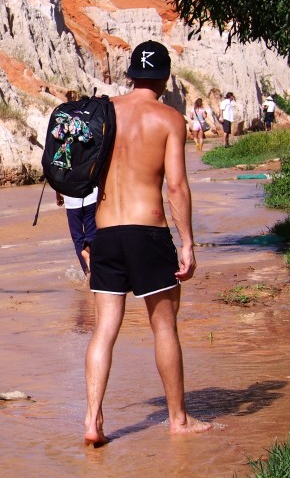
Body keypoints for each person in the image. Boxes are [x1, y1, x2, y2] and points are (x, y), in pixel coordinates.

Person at [83, 41, 212, 447]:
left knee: (104, 329)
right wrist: (187, 242)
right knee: (163, 326)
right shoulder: (170, 119)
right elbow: (176, 186)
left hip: (105, 231)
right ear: (165, 77)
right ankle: (178, 420)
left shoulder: (104, 113)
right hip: (148, 233)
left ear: (129, 74)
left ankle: (92, 420)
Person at [56, 186, 98, 275]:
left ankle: (88, 273)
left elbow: (56, 176)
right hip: (91, 197)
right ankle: (97, 270)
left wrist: (58, 194)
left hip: (72, 201)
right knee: (92, 235)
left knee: (78, 239)